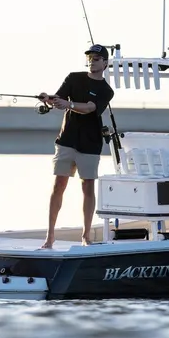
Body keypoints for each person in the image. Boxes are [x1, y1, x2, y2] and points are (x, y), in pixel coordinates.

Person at [38, 44, 115, 248]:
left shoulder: (106, 90)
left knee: (87, 187)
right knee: (58, 186)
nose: (92, 60)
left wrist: (69, 105)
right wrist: (49, 99)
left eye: (97, 58)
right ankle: (49, 238)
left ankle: (86, 236)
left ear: (105, 63)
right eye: (90, 57)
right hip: (66, 140)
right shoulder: (73, 77)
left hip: (90, 143)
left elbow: (90, 108)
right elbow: (59, 99)